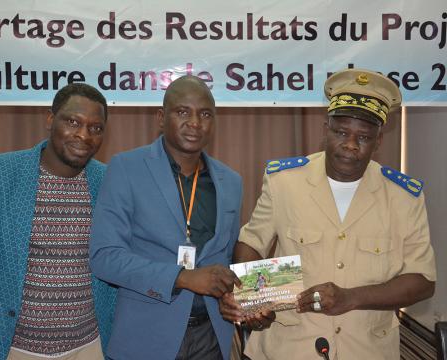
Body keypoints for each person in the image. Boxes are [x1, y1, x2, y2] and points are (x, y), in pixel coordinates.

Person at [220, 69, 436, 359]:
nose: (350, 145)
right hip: (289, 348)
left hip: (367, 350)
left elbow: (422, 279)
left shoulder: (404, 197)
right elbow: (251, 243)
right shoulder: (285, 181)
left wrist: (352, 297)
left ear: (379, 141)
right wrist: (255, 301)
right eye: (342, 132)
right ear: (326, 129)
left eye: (363, 137)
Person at [90, 75, 243, 360]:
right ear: (161, 117)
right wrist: (183, 278)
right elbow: (105, 257)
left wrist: (246, 299)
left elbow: (229, 258)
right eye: (182, 112)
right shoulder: (126, 168)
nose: (195, 123)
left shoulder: (231, 182)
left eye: (205, 114)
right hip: (146, 335)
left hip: (212, 337)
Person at [0, 83, 117, 360]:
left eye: (96, 128)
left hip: (89, 347)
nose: (84, 135)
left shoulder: (108, 182)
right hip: (12, 349)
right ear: (50, 120)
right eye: (73, 122)